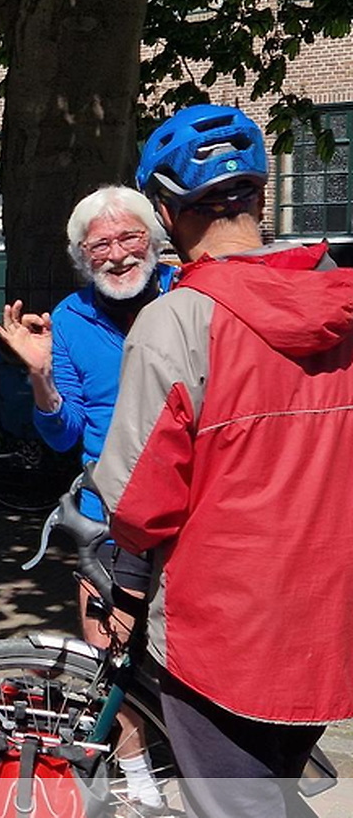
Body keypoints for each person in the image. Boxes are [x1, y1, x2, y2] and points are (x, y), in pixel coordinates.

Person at [96, 104, 353, 818]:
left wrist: (120, 574)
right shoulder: (341, 301)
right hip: (328, 621)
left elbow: (138, 499)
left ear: (163, 211)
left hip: (226, 634)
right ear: (262, 196)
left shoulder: (178, 321)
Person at [0, 186, 175, 813]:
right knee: (110, 655)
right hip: (109, 512)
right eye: (100, 244)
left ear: (155, 241)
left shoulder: (188, 295)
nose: (118, 255)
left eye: (129, 238)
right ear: (81, 256)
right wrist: (40, 374)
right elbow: (63, 431)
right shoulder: (69, 320)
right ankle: (142, 782)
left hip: (192, 507)